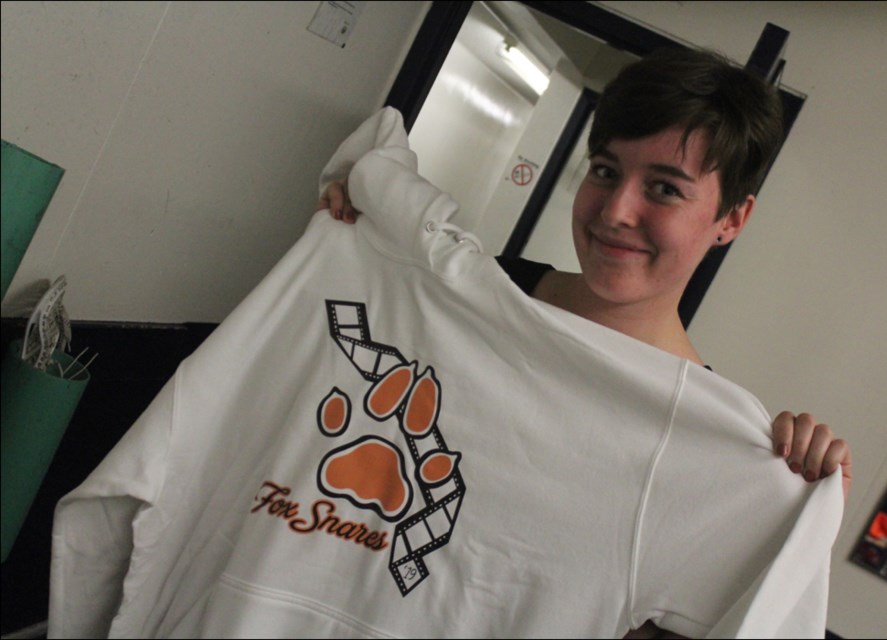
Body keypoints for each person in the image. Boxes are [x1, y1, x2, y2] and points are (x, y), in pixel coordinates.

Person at [321, 47, 853, 501]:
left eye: (665, 188)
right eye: (605, 171)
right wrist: (361, 234)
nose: (615, 211)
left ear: (732, 219)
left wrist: (795, 498)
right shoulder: (477, 287)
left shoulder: (703, 435)